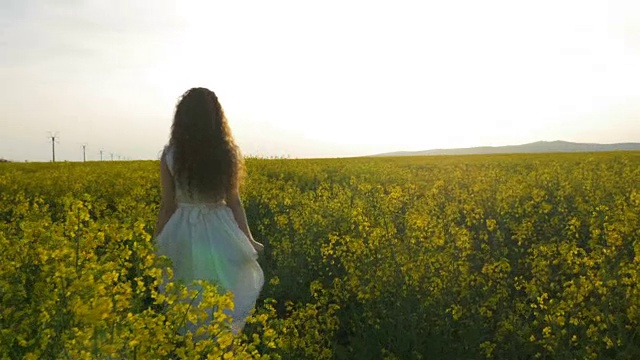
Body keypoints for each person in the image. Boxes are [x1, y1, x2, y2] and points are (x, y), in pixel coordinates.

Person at [154, 87, 264, 336]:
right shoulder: (228, 154)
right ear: (216, 117)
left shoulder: (170, 156)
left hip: (182, 227)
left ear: (181, 119)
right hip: (220, 226)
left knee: (187, 288)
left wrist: (156, 240)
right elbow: (234, 201)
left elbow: (168, 205)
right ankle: (218, 340)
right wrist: (248, 239)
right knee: (224, 285)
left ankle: (192, 344)